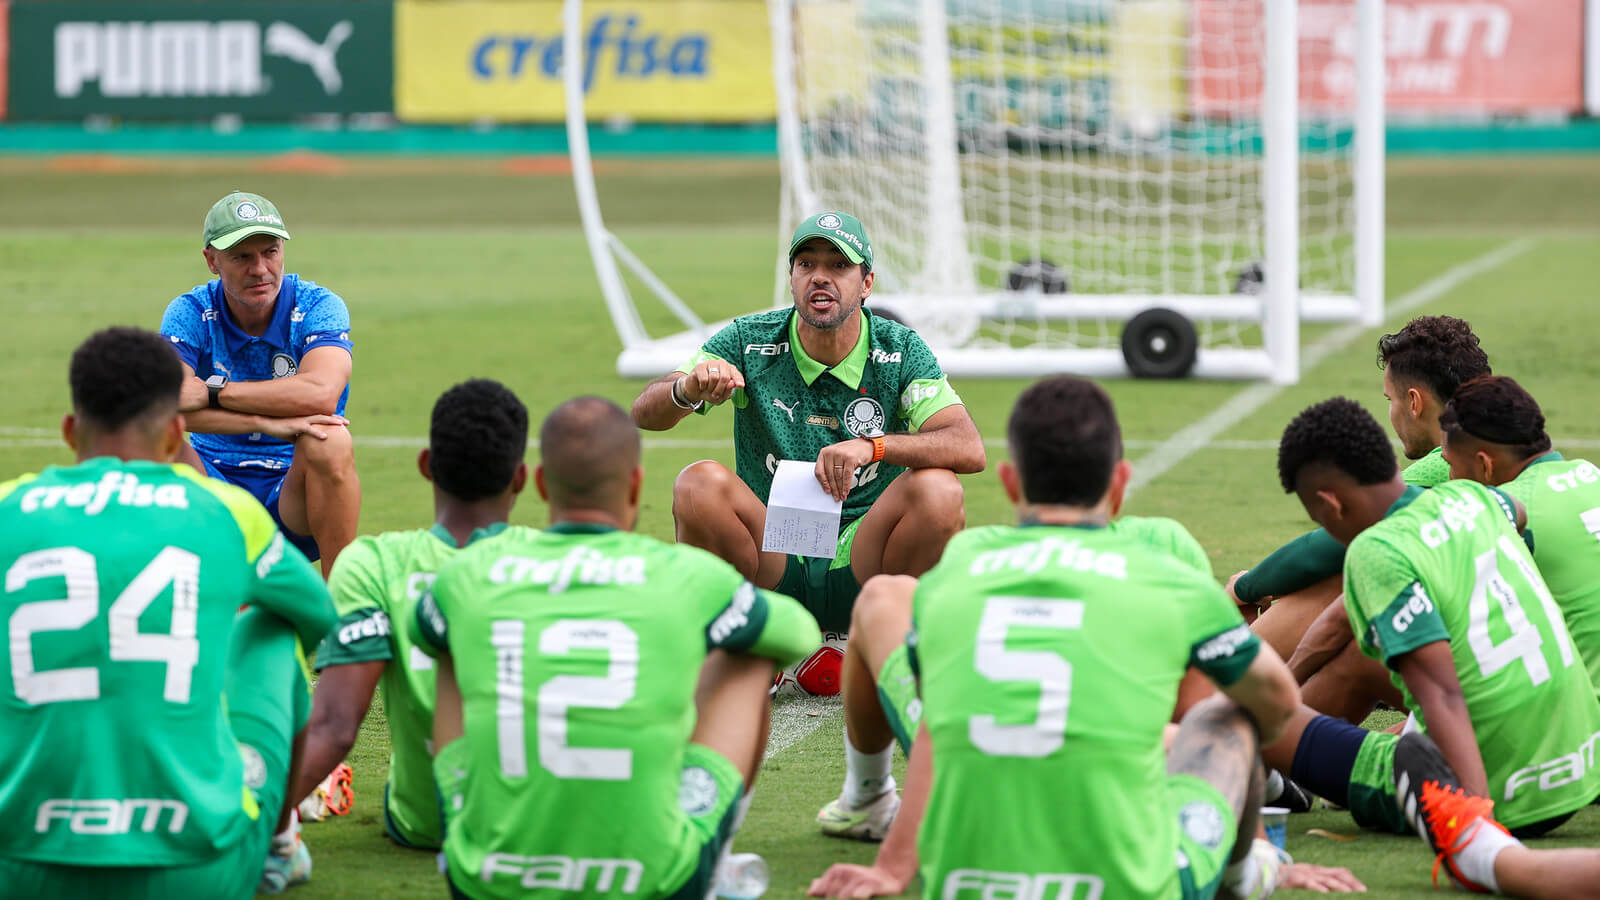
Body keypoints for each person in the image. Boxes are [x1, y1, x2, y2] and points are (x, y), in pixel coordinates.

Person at [809, 376, 1362, 899]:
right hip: (1129, 877)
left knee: (884, 601)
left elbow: (938, 721)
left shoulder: (963, 565)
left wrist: (893, 867)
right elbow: (1259, 707)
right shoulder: (1164, 564)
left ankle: (866, 797)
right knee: (1224, 717)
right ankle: (1250, 870)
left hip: (975, 869)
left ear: (1010, 482)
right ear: (1119, 483)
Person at [411, 397, 822, 900]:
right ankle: (715, 867)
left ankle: (459, 819)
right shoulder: (688, 577)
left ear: (540, 484)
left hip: (483, 878)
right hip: (654, 879)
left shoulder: (473, 571)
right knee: (748, 653)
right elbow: (800, 635)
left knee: (448, 642)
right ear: (634, 485)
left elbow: (420, 629)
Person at [0, 327, 336, 898]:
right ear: (177, 435)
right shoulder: (225, 510)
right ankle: (281, 843)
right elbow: (320, 616)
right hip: (194, 868)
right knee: (272, 626)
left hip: (20, 864)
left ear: (69, 431)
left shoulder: (9, 505)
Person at [630, 211, 984, 635]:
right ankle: (748, 640)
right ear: (792, 278)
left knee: (938, 490)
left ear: (866, 283)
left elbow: (967, 446)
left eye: (838, 266)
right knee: (697, 484)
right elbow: (644, 413)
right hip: (775, 551)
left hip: (863, 553)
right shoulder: (749, 340)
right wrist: (687, 389)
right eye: (807, 265)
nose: (820, 277)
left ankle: (887, 639)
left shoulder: (899, 349)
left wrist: (873, 446)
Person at [1263, 397, 1600, 837]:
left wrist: (1476, 824)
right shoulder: (1478, 500)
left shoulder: (1376, 550)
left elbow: (1442, 694)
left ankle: (1260, 772)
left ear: (1328, 503)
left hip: (1505, 791)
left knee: (1274, 724)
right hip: (1578, 761)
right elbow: (1517, 515)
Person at [288, 379, 530, 858]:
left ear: (425, 466)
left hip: (427, 825)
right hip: (543, 824)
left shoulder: (375, 564)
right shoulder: (555, 563)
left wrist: (251, 829)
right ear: (521, 478)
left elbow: (335, 727)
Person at [1233, 315, 1492, 723]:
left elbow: (1333, 544)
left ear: (1414, 401)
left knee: (1341, 582)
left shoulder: (1445, 463)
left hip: (1494, 686)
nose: (1390, 412)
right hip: (1542, 664)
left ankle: (1236, 699)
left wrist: (1245, 588)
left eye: (1388, 399)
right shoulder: (1510, 454)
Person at [160, 190, 360, 577]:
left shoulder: (318, 305)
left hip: (293, 492)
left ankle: (342, 609)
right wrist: (264, 422)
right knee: (153, 440)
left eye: (270, 252)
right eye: (241, 257)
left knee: (332, 440)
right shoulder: (190, 311)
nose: (260, 269)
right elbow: (163, 405)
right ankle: (178, 601)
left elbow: (320, 393)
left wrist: (214, 391)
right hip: (214, 484)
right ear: (212, 261)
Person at [1441, 374, 1600, 698]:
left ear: (1484, 465)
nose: (1450, 477)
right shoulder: (1591, 473)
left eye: (1451, 465)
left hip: (1584, 723)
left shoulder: (1506, 509)